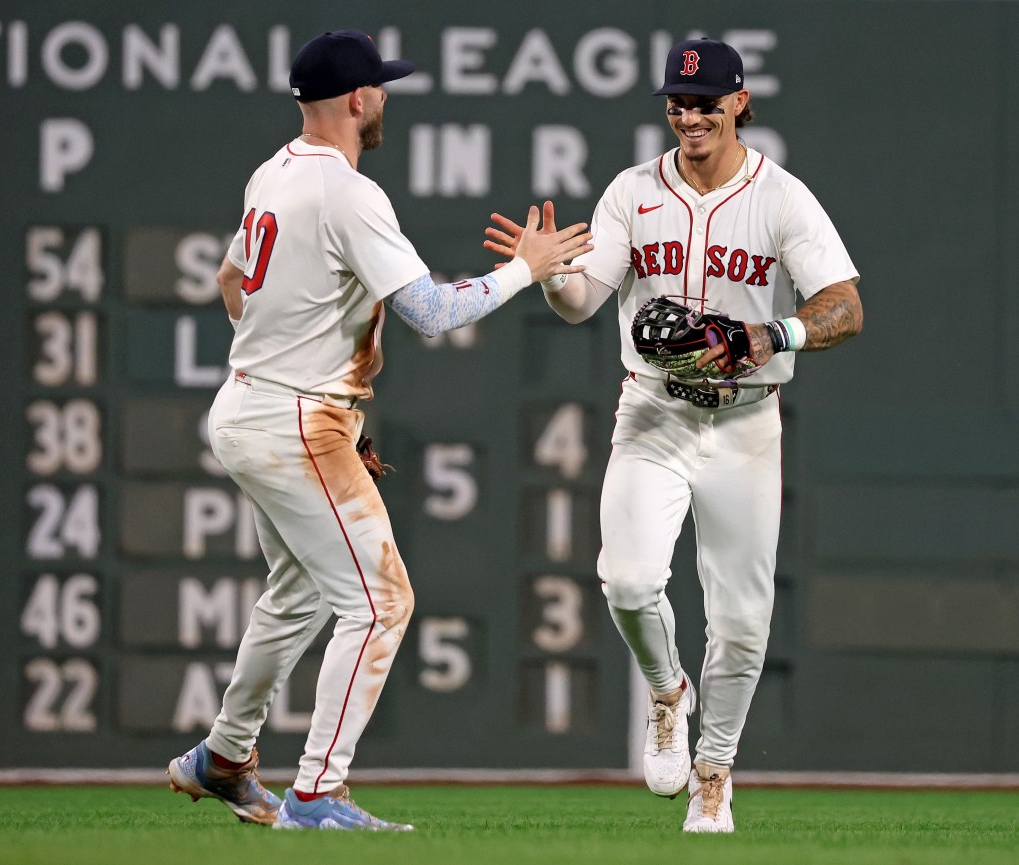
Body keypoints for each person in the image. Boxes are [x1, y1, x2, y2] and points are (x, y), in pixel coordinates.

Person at [167, 29, 591, 832]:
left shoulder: (274, 171)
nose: (386, 98)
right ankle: (317, 794)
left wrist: (300, 380)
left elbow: (231, 279)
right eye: (381, 87)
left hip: (252, 404)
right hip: (292, 417)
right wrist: (525, 268)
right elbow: (431, 312)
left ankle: (223, 758)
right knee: (383, 600)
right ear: (358, 99)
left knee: (297, 593)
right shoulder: (347, 192)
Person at [484, 36, 862, 833]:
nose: (690, 115)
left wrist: (775, 335)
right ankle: (667, 692)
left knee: (741, 621)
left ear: (739, 103)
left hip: (746, 420)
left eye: (705, 102)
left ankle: (715, 772)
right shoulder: (633, 191)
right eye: (678, 102)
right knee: (625, 581)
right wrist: (548, 274)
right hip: (653, 410)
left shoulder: (781, 197)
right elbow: (586, 302)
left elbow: (845, 306)